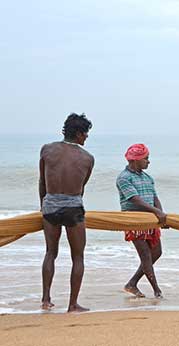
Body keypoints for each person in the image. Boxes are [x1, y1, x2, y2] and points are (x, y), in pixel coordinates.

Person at [39, 113, 94, 312]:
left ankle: (46, 299)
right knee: (77, 257)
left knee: (50, 253)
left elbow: (42, 182)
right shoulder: (88, 158)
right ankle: (72, 304)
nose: (86, 137)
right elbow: (81, 187)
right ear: (79, 133)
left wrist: (43, 207)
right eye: (85, 134)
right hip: (73, 207)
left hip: (50, 205)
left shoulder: (47, 150)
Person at [116, 144, 167, 298]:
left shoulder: (147, 178)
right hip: (135, 221)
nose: (148, 162)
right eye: (146, 159)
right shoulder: (124, 178)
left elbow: (154, 198)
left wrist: (161, 214)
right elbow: (134, 199)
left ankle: (132, 283)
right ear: (135, 160)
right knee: (145, 256)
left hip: (151, 221)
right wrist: (156, 212)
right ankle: (157, 291)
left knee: (156, 253)